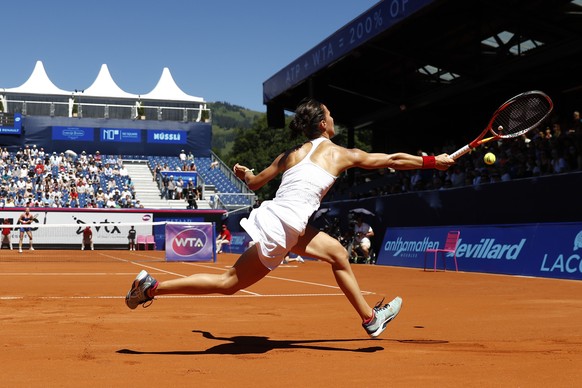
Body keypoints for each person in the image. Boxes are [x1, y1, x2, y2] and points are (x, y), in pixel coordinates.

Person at [125, 98, 455, 337]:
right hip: (288, 224)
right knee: (228, 284)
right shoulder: (338, 153)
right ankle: (153, 289)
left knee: (338, 254)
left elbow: (254, 183)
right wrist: (431, 161)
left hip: (279, 218)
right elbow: (393, 159)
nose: (333, 118)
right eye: (331, 114)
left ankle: (371, 319)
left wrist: (245, 172)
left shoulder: (290, 154)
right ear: (324, 124)